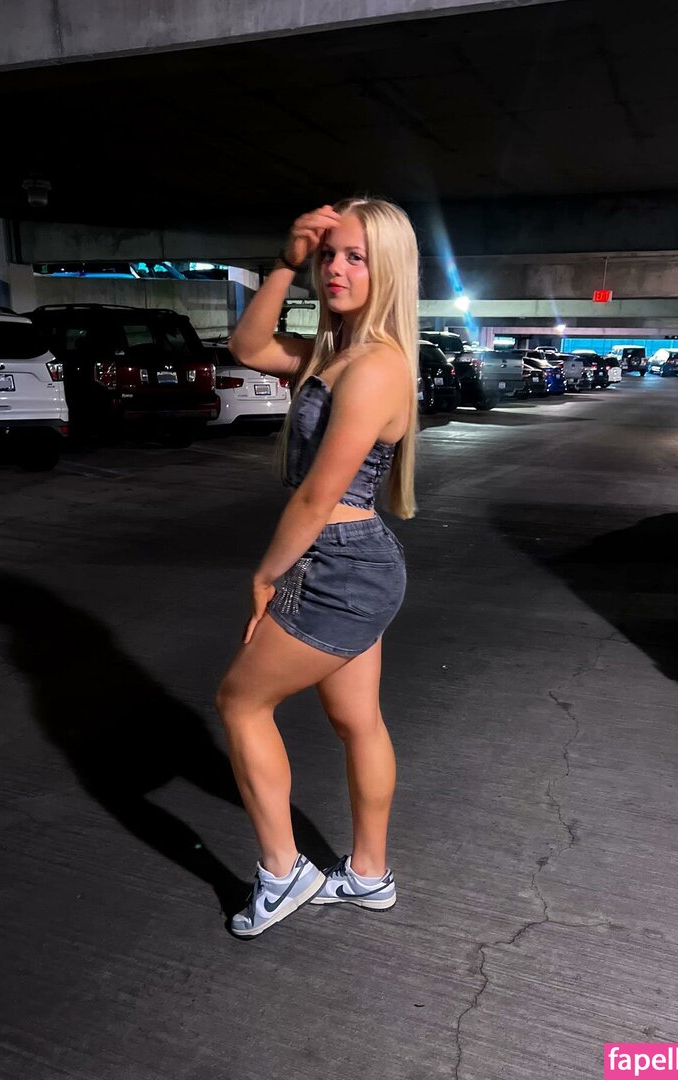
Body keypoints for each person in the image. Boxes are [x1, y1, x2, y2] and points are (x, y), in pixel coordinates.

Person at [216, 198, 419, 938]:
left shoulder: (376, 367)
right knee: (357, 720)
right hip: (356, 564)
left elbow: (315, 498)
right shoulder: (335, 355)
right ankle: (368, 876)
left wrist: (266, 576)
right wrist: (284, 261)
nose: (336, 268)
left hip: (337, 565)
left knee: (240, 704)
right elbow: (247, 346)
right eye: (330, 254)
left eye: (355, 256)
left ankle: (284, 872)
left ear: (387, 267)